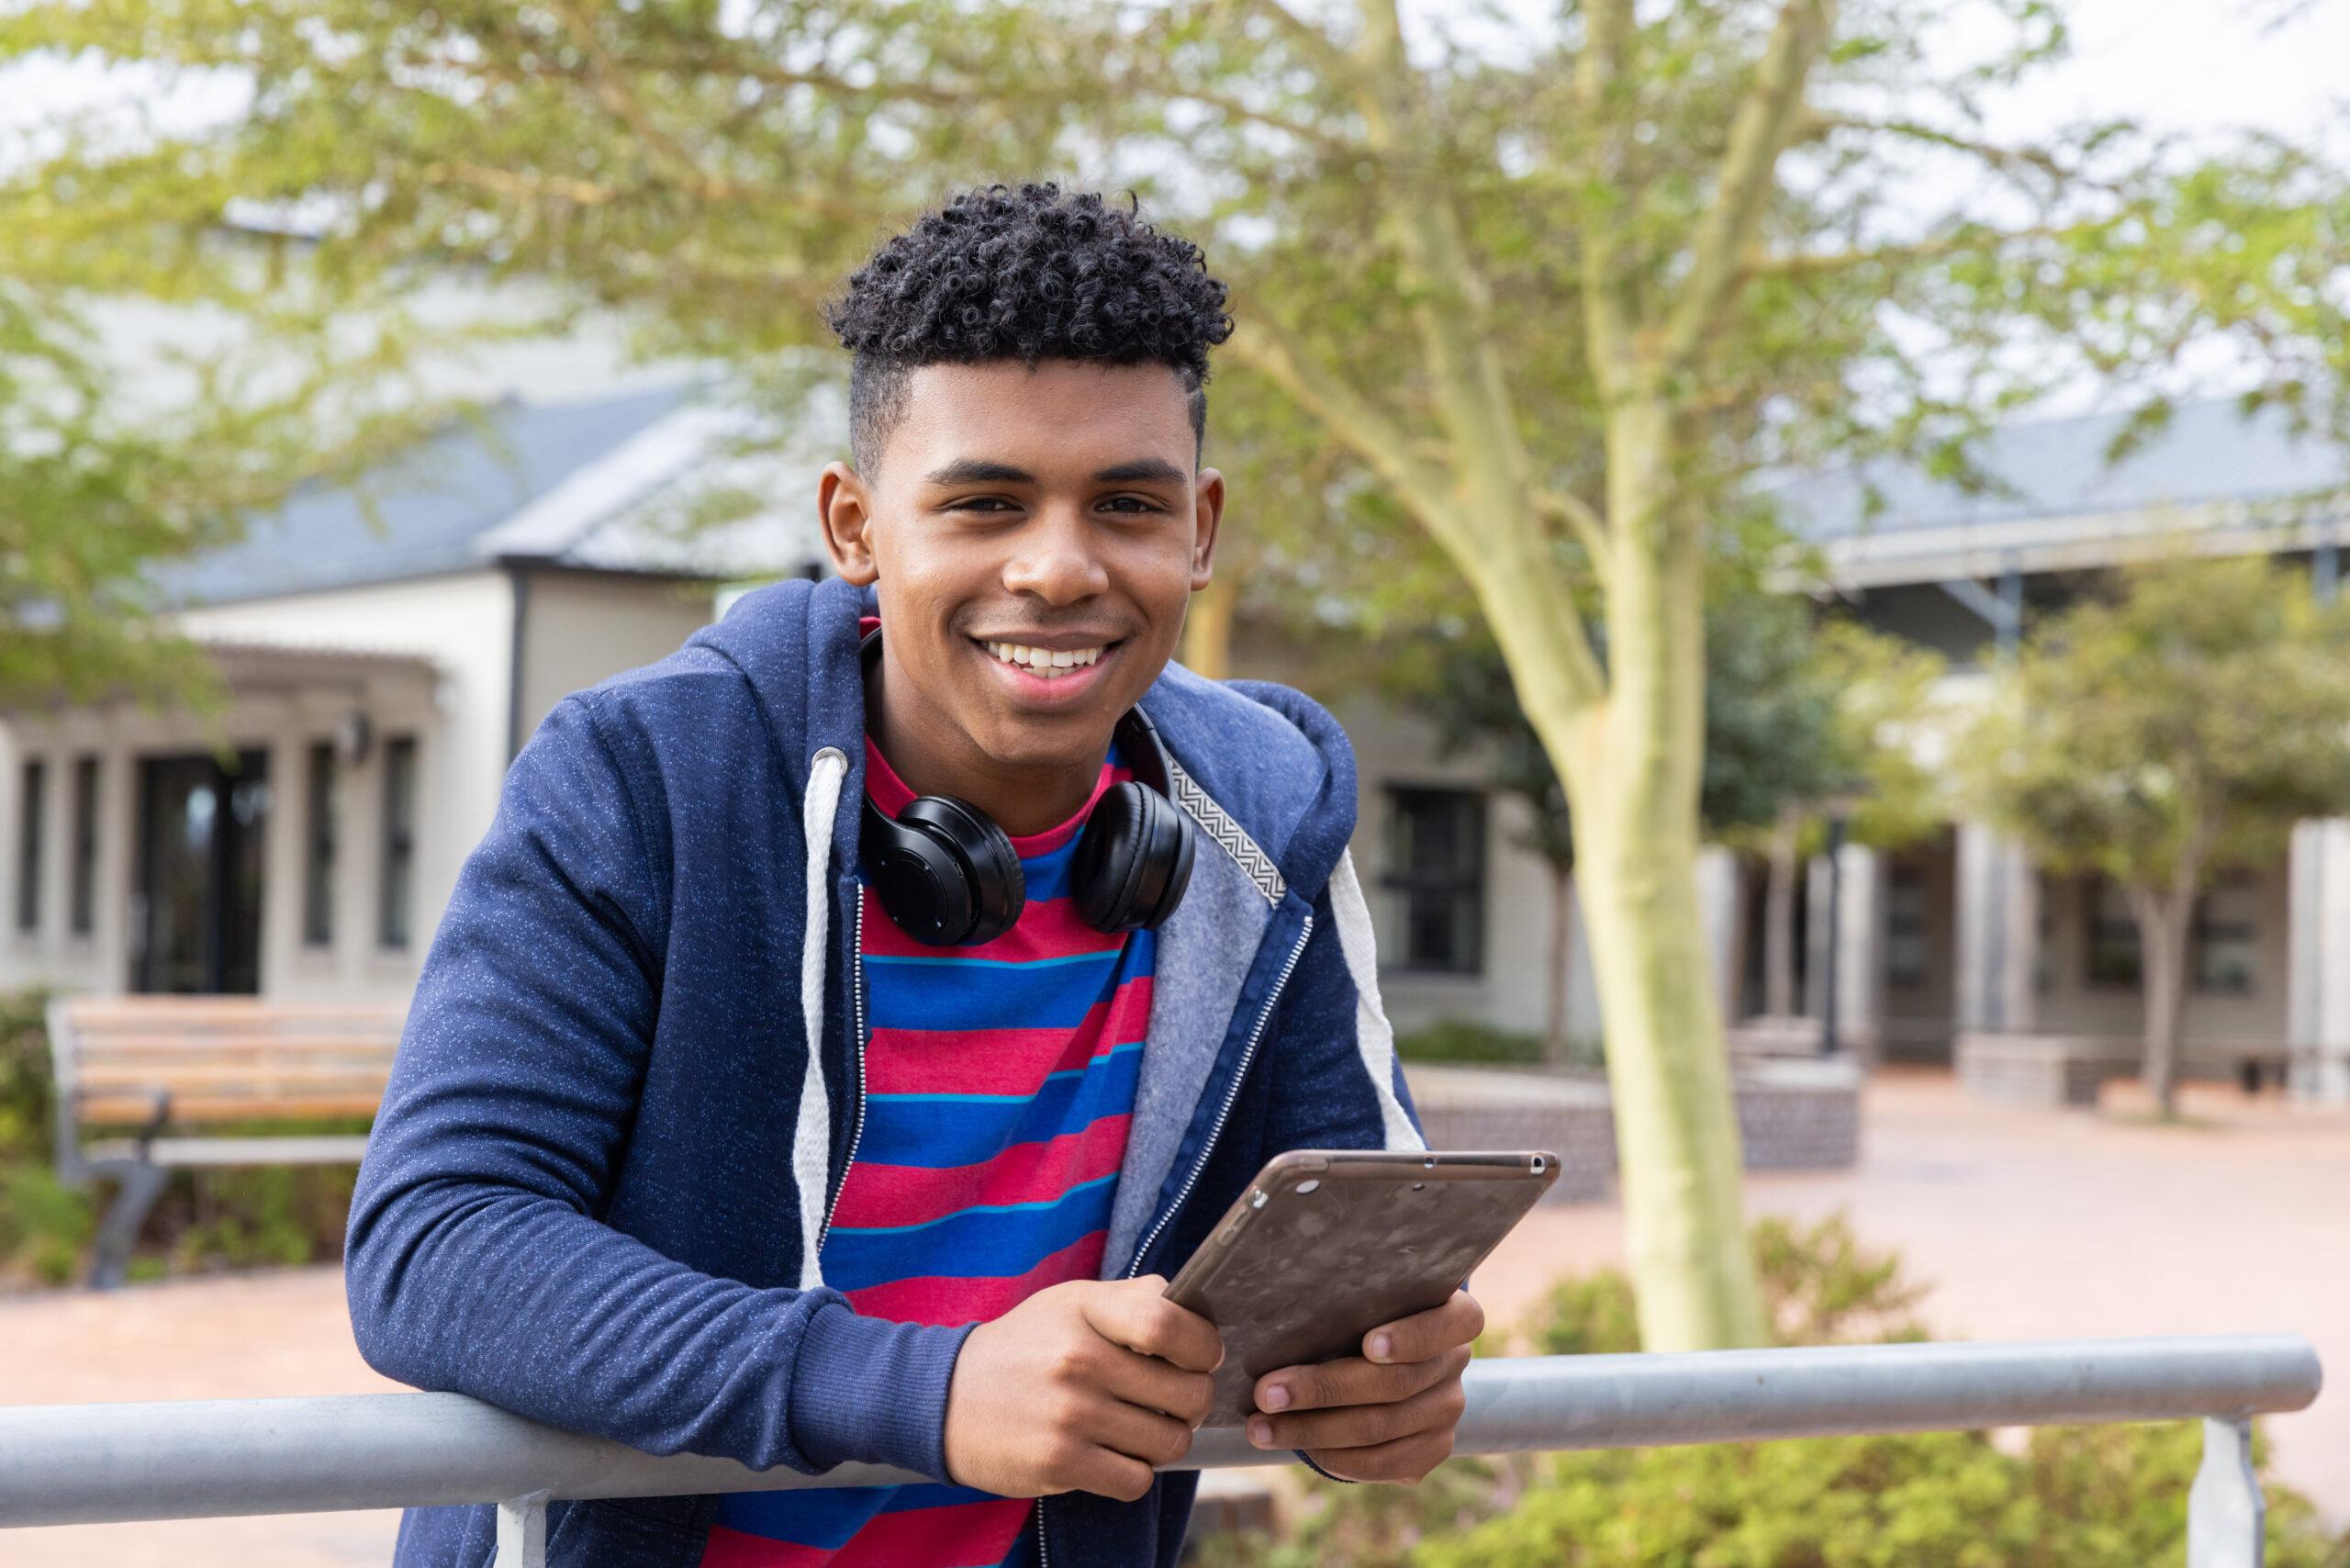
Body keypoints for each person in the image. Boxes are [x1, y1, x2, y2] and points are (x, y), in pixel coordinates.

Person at [344, 182, 1481, 1568]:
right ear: (855, 524)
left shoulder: (1264, 805)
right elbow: (438, 1246)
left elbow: (1355, 1212)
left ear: (1200, 528)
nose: (1059, 569)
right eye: (985, 503)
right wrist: (924, 1390)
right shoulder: (645, 777)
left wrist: (1375, 1375)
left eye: (1126, 503)